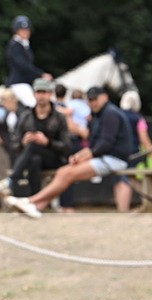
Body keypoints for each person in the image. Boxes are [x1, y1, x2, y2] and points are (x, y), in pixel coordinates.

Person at [3, 86, 132, 218]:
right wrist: (80, 156)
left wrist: (85, 156)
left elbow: (105, 144)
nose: (92, 102)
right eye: (90, 100)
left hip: (113, 159)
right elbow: (95, 145)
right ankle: (36, 205)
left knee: (66, 173)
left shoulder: (110, 114)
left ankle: (31, 201)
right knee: (63, 172)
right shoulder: (100, 114)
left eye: (95, 99)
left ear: (104, 97)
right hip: (106, 157)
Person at [0, 78, 70, 200]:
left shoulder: (59, 117)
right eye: (38, 92)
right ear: (34, 94)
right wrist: (23, 142)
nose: (41, 96)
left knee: (33, 146)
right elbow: (15, 145)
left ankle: (11, 181)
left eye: (44, 92)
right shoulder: (26, 116)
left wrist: (47, 142)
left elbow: (66, 146)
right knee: (35, 158)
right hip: (31, 159)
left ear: (50, 94)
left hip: (54, 158)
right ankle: (34, 201)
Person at [54, 84, 91, 212]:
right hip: (79, 141)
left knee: (66, 173)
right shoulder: (86, 106)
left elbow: (68, 115)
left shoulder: (70, 106)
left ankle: (64, 204)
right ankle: (67, 204)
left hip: (70, 142)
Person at [4, 15, 52, 109]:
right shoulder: (14, 46)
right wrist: (41, 74)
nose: (25, 32)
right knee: (33, 104)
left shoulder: (25, 46)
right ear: (16, 31)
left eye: (27, 30)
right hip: (18, 83)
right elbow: (23, 66)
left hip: (27, 82)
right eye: (22, 30)